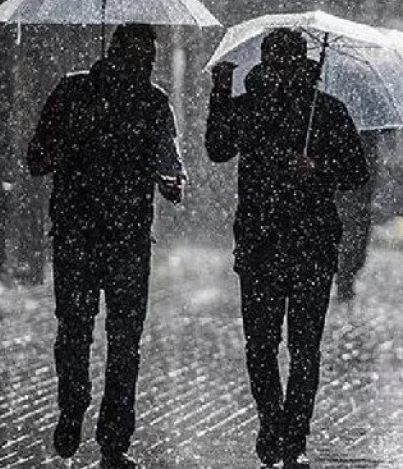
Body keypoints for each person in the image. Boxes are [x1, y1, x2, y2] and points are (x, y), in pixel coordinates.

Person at [206, 28, 369, 469]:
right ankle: (271, 422)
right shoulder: (250, 106)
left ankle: (294, 432)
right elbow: (218, 148)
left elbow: (355, 171)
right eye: (273, 62)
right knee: (260, 345)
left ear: (303, 64)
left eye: (287, 62)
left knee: (303, 346)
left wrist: (317, 168)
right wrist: (220, 93)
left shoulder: (327, 111)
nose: (279, 70)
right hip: (260, 242)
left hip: (311, 244)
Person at [27, 24, 185, 469]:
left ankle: (114, 438)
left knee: (123, 341)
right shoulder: (73, 93)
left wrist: (172, 184)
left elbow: (169, 163)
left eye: (148, 61)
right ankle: (74, 405)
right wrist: (78, 134)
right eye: (138, 58)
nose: (144, 68)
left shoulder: (154, 103)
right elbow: (36, 158)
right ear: (114, 54)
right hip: (80, 235)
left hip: (129, 240)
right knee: (76, 331)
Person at [335, 130, 381, 301]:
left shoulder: (368, 135)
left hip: (358, 194)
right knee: (352, 235)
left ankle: (346, 274)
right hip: (349, 194)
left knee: (355, 235)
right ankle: (345, 275)